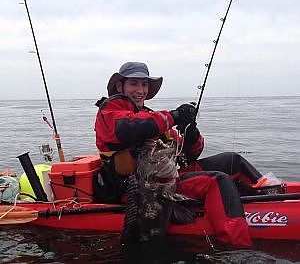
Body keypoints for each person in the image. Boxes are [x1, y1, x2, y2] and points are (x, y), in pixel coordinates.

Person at [94, 61, 259, 248]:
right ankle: (236, 249)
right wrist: (174, 116)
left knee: (232, 160)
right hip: (141, 191)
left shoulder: (152, 117)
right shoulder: (109, 112)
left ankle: (271, 195)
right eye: (134, 83)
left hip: (164, 179)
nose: (140, 90)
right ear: (119, 86)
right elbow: (129, 127)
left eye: (144, 84)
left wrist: (191, 134)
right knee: (218, 180)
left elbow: (188, 156)